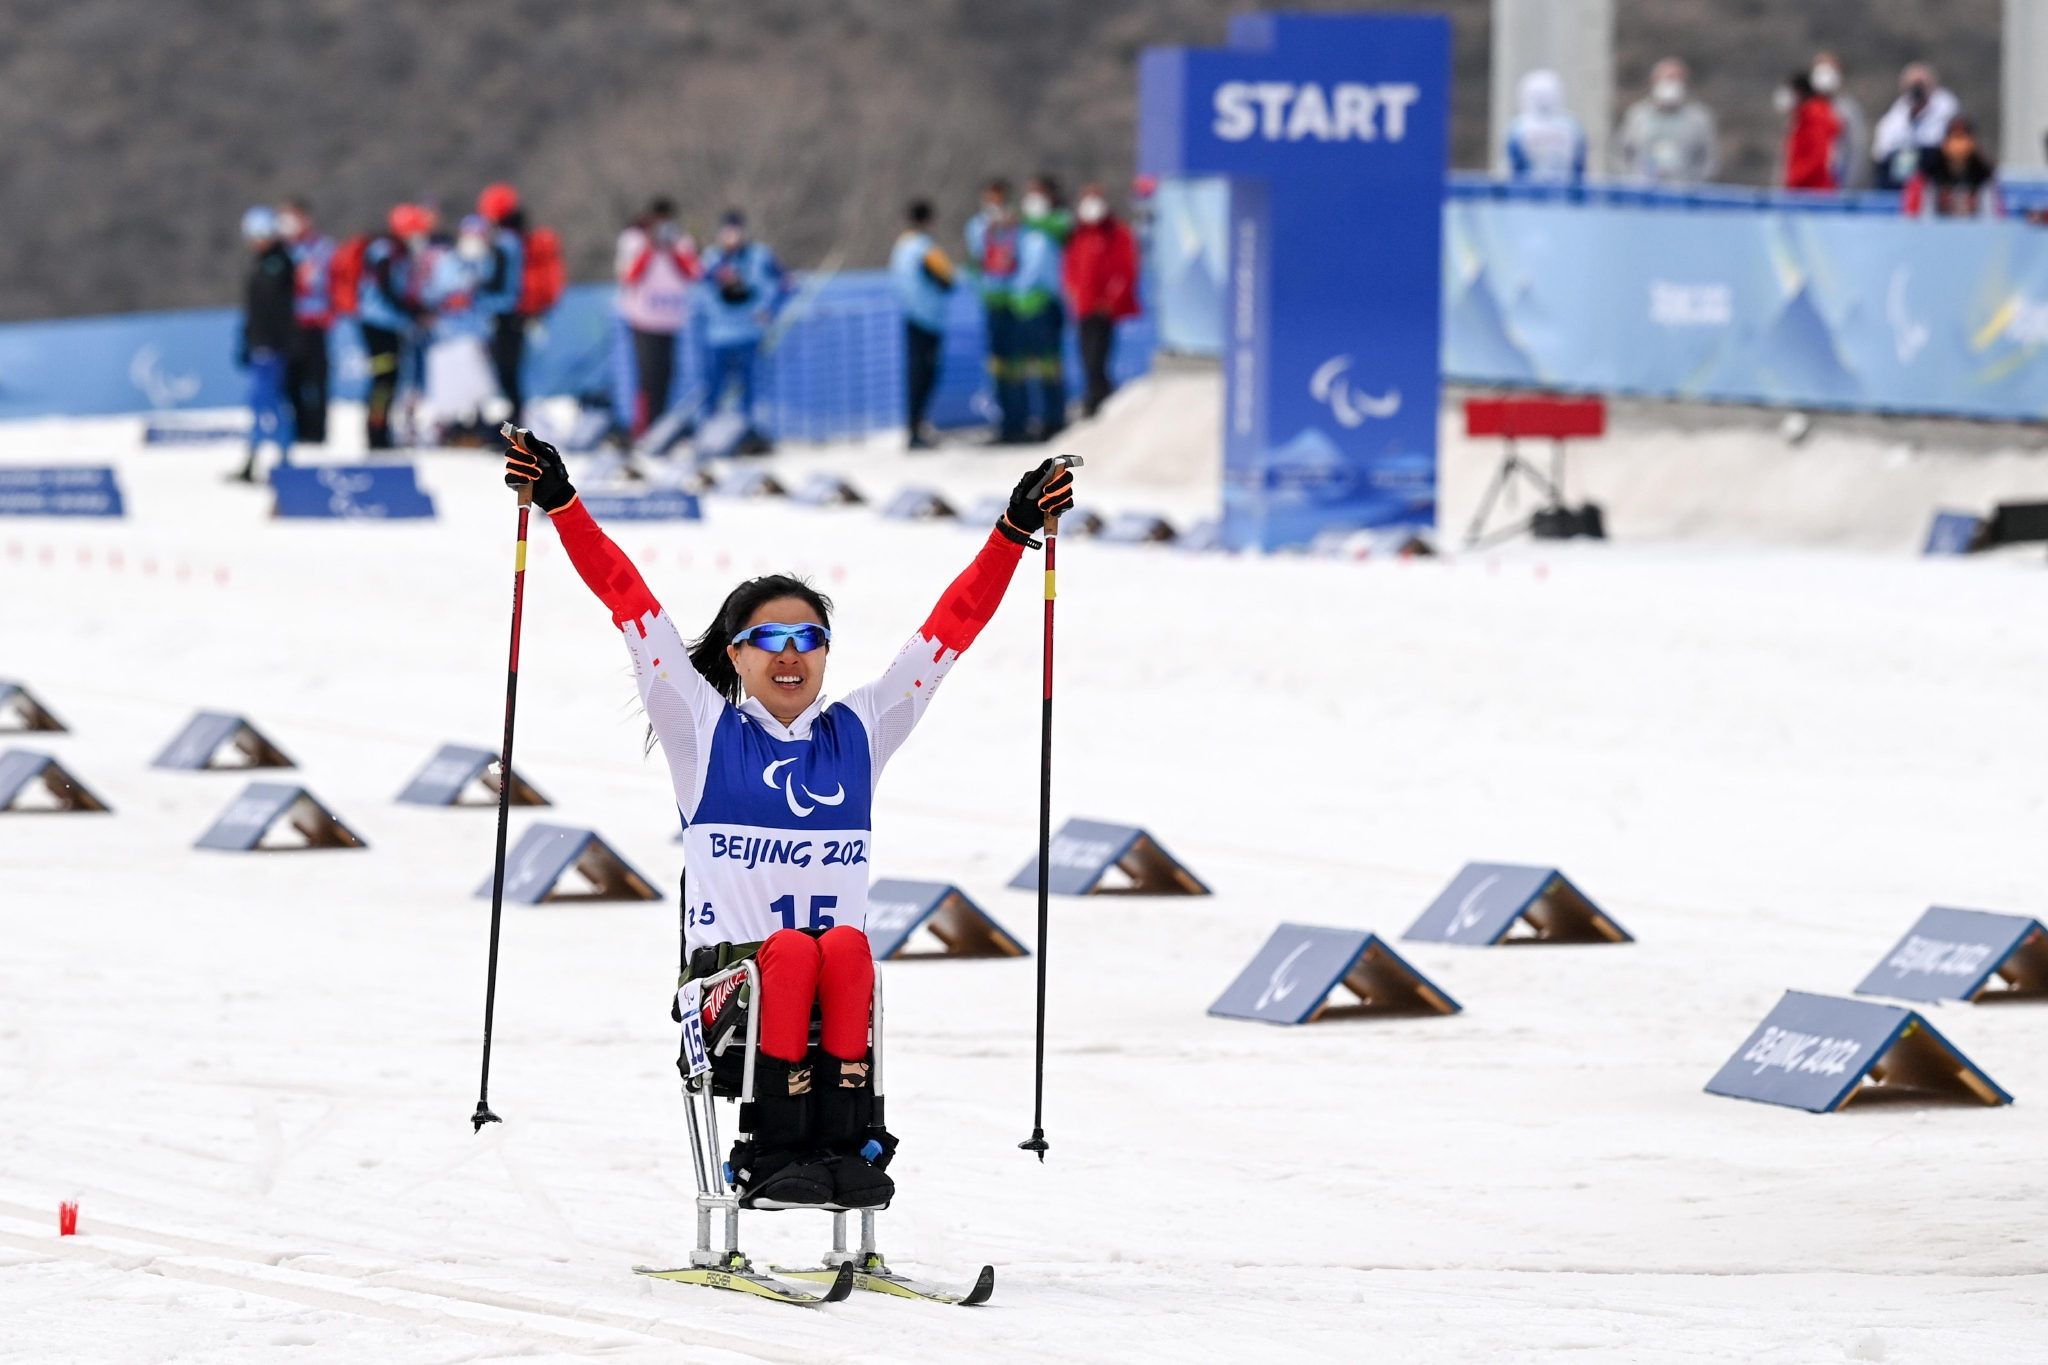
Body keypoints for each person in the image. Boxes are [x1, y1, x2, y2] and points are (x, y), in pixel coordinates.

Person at [500, 427, 1078, 1210]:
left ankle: (841, 1146)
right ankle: (768, 1150)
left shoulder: (860, 732)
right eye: (768, 638)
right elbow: (628, 600)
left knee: (840, 946)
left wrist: (1013, 529)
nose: (790, 654)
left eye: (809, 639)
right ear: (735, 656)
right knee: (797, 953)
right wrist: (562, 500)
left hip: (828, 994)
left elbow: (950, 630)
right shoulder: (702, 730)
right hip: (725, 1000)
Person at [695, 209, 787, 454]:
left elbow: (785, 283)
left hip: (749, 334)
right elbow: (700, 286)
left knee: (751, 386)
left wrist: (771, 310)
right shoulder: (712, 259)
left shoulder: (759, 256)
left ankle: (749, 433)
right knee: (714, 387)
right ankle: (708, 435)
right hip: (719, 335)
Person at [615, 198, 701, 440]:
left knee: (667, 375)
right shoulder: (634, 240)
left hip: (671, 319)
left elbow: (693, 273)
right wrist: (650, 248)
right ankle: (644, 427)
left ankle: (661, 425)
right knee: (648, 375)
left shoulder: (680, 241)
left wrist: (672, 248)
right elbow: (628, 276)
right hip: (643, 319)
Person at [357, 204, 432, 449]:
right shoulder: (385, 251)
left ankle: (382, 430)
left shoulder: (399, 252)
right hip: (377, 327)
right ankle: (376, 433)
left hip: (390, 326)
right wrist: (412, 312)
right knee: (383, 380)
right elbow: (387, 289)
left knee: (390, 380)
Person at [1061, 184, 1139, 419]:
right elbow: (1071, 268)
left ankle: (1099, 397)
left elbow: (1126, 269)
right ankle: (1094, 396)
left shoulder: (1117, 233)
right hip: (1084, 306)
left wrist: (1112, 299)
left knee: (1099, 356)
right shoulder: (1079, 234)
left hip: (1105, 308)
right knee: (1086, 356)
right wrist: (1074, 293)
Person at [234, 206, 296, 482]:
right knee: (260, 403)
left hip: (273, 347)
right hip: (262, 345)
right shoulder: (260, 263)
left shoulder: (279, 263)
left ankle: (282, 458)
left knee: (270, 403)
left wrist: (276, 343)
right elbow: (254, 310)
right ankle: (254, 459)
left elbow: (278, 310)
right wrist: (247, 340)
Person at [888, 200, 955, 449]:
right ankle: (917, 428)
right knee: (926, 375)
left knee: (913, 374)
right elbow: (948, 280)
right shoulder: (926, 248)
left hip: (910, 316)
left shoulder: (900, 247)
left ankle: (913, 426)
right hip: (930, 319)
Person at [964, 179, 1025, 442]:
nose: (995, 205)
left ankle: (1021, 419)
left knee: (1019, 364)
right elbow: (976, 264)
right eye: (990, 199)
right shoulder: (977, 227)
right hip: (993, 302)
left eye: (999, 199)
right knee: (998, 365)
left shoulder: (1018, 228)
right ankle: (1005, 422)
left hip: (1015, 302)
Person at [1010, 176, 1069, 441]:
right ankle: (1021, 420)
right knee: (1020, 369)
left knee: (1049, 365)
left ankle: (1054, 417)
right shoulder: (1018, 228)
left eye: (1038, 193)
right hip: (1020, 303)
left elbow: (1060, 227)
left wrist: (1025, 220)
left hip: (1047, 302)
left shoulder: (1058, 222)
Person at [276, 198, 333, 446]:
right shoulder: (279, 250)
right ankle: (295, 433)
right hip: (288, 326)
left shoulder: (323, 248)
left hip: (315, 324)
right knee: (290, 382)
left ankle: (316, 434)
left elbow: (329, 282)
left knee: (316, 381)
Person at [1613, 58, 1717, 185]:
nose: (1670, 84)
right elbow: (1619, 153)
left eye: (1675, 80)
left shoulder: (1699, 119)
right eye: (1665, 79)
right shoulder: (1637, 115)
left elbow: (1710, 160)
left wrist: (1693, 185)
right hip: (1641, 194)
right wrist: (1630, 180)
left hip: (1683, 194)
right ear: (1653, 82)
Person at [475, 183, 528, 422]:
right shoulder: (516, 238)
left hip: (505, 313)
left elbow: (497, 279)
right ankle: (516, 418)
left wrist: (476, 285)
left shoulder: (503, 242)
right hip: (513, 313)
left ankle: (516, 422)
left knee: (507, 372)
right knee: (509, 372)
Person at [1871, 63, 1960, 191]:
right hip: (1900, 179)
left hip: (1933, 179)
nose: (1917, 89)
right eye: (1913, 85)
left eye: (1921, 84)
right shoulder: (1895, 116)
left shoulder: (1947, 110)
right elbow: (1880, 152)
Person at [1904, 116, 2001, 218]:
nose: (1959, 144)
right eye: (1955, 137)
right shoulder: (1927, 174)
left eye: (1963, 137)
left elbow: (1994, 218)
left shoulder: (1984, 175)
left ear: (1973, 142)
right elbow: (1914, 218)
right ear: (1944, 142)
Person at [1505, 69, 1586, 183]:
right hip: (1564, 194)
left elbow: (1516, 168)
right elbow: (1579, 168)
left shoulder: (1518, 128)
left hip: (1530, 195)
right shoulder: (1572, 126)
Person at [1810, 52, 1869, 190]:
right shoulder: (1803, 110)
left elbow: (1857, 151)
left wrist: (1848, 189)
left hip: (1835, 185)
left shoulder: (1848, 111)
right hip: (1806, 187)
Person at [1781, 71, 1842, 190]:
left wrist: (1795, 179)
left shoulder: (1815, 116)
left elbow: (1818, 156)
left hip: (1814, 192)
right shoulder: (1802, 117)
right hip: (1804, 190)